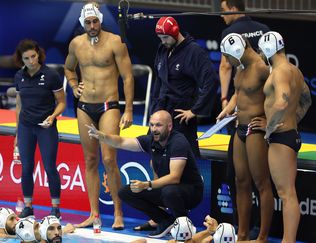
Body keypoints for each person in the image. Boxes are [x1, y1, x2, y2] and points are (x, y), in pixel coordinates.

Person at [64, 2, 134, 229]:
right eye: (88, 23)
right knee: (90, 160)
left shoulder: (115, 42)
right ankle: (94, 214)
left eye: (95, 21)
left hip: (108, 106)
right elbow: (68, 68)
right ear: (82, 23)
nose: (92, 26)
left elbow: (128, 77)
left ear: (100, 21)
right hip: (84, 107)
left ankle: (118, 212)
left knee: (108, 159)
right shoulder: (76, 44)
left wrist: (130, 109)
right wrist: (74, 85)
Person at [87, 110, 204, 238]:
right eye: (152, 125)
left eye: (158, 125)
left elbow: (175, 177)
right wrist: (103, 136)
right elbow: (121, 142)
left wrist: (147, 184)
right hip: (169, 190)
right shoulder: (151, 140)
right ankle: (165, 221)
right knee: (126, 192)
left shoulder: (178, 142)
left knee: (169, 191)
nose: (154, 129)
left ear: (169, 126)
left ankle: (184, 225)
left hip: (191, 192)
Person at [219, 1, 270, 235]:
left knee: (261, 183)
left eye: (228, 57)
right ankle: (242, 233)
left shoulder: (262, 68)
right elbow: (240, 92)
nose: (227, 62)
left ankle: (261, 236)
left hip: (255, 129)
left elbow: (283, 94)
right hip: (239, 126)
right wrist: (228, 107)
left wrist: (270, 121)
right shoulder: (240, 68)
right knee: (241, 182)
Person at [255, 31, 312, 243]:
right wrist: (292, 119)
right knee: (287, 193)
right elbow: (306, 101)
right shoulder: (294, 71)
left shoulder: (279, 72)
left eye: (261, 50)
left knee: (287, 194)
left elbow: (281, 102)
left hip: (281, 138)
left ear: (269, 49)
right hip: (290, 134)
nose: (260, 55)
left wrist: (269, 128)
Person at [151, 16, 218, 158]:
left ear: (175, 32)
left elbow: (211, 80)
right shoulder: (163, 48)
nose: (163, 42)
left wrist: (195, 110)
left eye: (165, 38)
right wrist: (154, 108)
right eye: (160, 38)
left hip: (181, 116)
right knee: (155, 156)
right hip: (161, 112)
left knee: (185, 158)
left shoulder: (194, 52)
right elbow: (159, 79)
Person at [13, 39, 66, 218]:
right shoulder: (19, 76)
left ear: (39, 55)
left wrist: (52, 117)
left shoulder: (51, 75)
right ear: (21, 60)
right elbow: (19, 106)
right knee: (26, 167)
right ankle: (28, 206)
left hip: (46, 128)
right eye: (26, 58)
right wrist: (17, 133)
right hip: (26, 128)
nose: (31, 61)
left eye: (33, 56)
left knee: (50, 167)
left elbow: (62, 102)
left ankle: (55, 208)